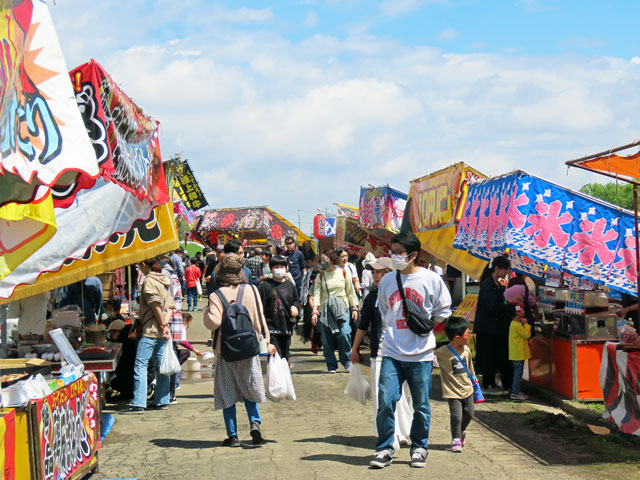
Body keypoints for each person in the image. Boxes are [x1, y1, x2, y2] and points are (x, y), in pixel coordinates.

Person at [369, 231, 452, 470]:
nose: (394, 256)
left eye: (399, 253)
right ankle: (385, 448)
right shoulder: (387, 281)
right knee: (385, 401)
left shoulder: (431, 280)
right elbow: (385, 312)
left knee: (421, 405)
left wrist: (425, 326)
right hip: (392, 352)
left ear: (413, 255)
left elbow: (443, 311)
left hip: (421, 354)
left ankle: (419, 447)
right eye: (392, 251)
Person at [203, 253, 276, 447]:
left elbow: (214, 323)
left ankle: (233, 435)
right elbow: (260, 320)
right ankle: (254, 423)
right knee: (250, 388)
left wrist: (206, 312)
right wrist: (266, 341)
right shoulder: (252, 290)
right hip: (249, 349)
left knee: (227, 393)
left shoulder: (215, 295)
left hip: (225, 351)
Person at [351, 256, 413, 450]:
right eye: (374, 272)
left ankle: (402, 431)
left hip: (403, 351)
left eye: (379, 271)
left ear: (389, 272)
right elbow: (362, 325)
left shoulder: (403, 293)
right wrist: (354, 348)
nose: (375, 275)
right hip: (379, 353)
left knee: (402, 394)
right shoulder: (372, 297)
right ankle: (389, 433)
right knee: (381, 395)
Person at [120, 257, 175, 414]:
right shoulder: (164, 280)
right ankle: (162, 400)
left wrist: (162, 324)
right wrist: (165, 324)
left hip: (151, 329)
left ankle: (139, 402)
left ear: (143, 264)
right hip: (162, 329)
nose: (139, 269)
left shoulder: (149, 281)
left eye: (139, 265)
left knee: (140, 365)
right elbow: (170, 305)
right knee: (161, 365)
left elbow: (155, 305)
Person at [308, 249, 359, 373]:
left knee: (344, 333)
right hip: (326, 311)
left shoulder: (343, 273)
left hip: (343, 309)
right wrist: (315, 311)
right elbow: (317, 294)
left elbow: (350, 292)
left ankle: (346, 361)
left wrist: (355, 308)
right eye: (322, 261)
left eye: (326, 260)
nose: (324, 262)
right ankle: (331, 365)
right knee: (327, 338)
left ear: (332, 260)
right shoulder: (321, 275)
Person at [434, 316, 476, 454]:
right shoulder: (441, 353)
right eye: (467, 333)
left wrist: (474, 380)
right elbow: (430, 359)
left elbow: (470, 368)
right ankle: (456, 439)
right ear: (457, 337)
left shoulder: (466, 350)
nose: (469, 335)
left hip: (468, 389)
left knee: (470, 413)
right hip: (452, 391)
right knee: (456, 416)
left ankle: (462, 431)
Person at [473, 255, 512, 395]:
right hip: (487, 328)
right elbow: (492, 306)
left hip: (494, 328)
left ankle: (491, 383)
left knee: (493, 355)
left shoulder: (496, 284)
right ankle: (488, 385)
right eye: (505, 269)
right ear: (497, 268)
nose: (507, 272)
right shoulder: (488, 284)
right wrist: (508, 303)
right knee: (488, 356)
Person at [258, 255, 301, 363]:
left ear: (286, 268)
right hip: (271, 328)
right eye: (276, 266)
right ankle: (275, 379)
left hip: (286, 327)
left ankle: (283, 379)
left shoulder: (290, 285)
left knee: (284, 357)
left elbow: (296, 300)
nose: (279, 268)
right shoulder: (265, 286)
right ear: (271, 269)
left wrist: (295, 307)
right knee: (275, 357)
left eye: (282, 266)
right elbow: (260, 307)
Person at [170, 312, 203, 404]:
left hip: (170, 346)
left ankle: (175, 384)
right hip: (172, 348)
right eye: (189, 323)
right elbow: (182, 341)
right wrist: (194, 349)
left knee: (178, 360)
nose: (189, 325)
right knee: (176, 364)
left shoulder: (174, 323)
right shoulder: (181, 326)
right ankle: (175, 384)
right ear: (185, 321)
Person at [107, 319, 136, 401]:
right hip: (138, 374)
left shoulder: (126, 342)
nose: (111, 336)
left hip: (131, 377)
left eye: (111, 333)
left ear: (117, 332)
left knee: (115, 383)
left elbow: (123, 368)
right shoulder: (128, 339)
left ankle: (127, 394)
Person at [508, 303, 531, 401]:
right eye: (522, 309)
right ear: (518, 312)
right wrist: (526, 324)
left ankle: (517, 390)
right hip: (518, 353)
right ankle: (515, 393)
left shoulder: (513, 324)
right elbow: (527, 335)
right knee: (518, 374)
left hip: (516, 353)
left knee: (518, 373)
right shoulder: (517, 326)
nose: (524, 311)